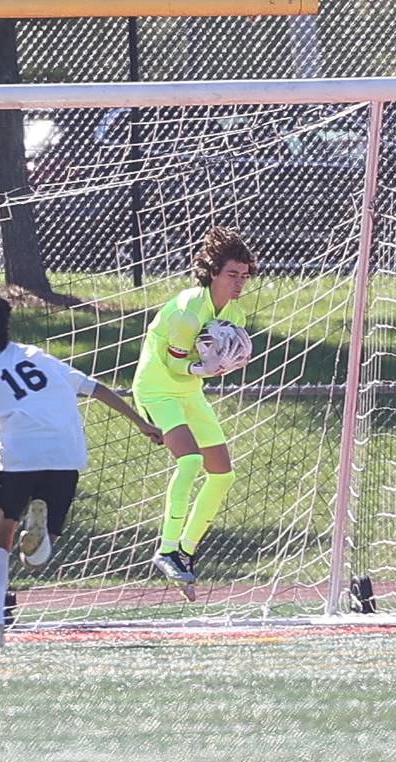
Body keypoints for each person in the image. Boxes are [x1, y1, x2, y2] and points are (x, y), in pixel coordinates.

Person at [0, 282, 163, 648]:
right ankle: (41, 537)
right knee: (36, 558)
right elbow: (94, 387)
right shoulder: (37, 355)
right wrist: (141, 422)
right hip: (66, 457)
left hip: (20, 460)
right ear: (7, 322)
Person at [131, 227, 255, 596]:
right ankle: (167, 549)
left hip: (189, 392)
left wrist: (225, 363)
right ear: (212, 272)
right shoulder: (187, 310)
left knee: (222, 475)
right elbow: (174, 367)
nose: (239, 283)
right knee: (189, 462)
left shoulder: (236, 314)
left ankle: (185, 551)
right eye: (232, 274)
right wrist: (205, 369)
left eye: (244, 276)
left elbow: (216, 359)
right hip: (157, 388)